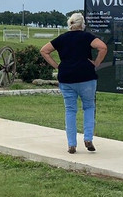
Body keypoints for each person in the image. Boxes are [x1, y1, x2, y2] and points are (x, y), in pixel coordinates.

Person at [40, 13, 108, 154]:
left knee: (70, 110)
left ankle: (71, 144)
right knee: (89, 107)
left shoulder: (62, 38)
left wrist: (57, 66)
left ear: (69, 24)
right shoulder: (87, 37)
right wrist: (96, 63)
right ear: (82, 24)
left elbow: (44, 51)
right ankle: (88, 138)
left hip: (66, 78)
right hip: (86, 77)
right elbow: (103, 47)